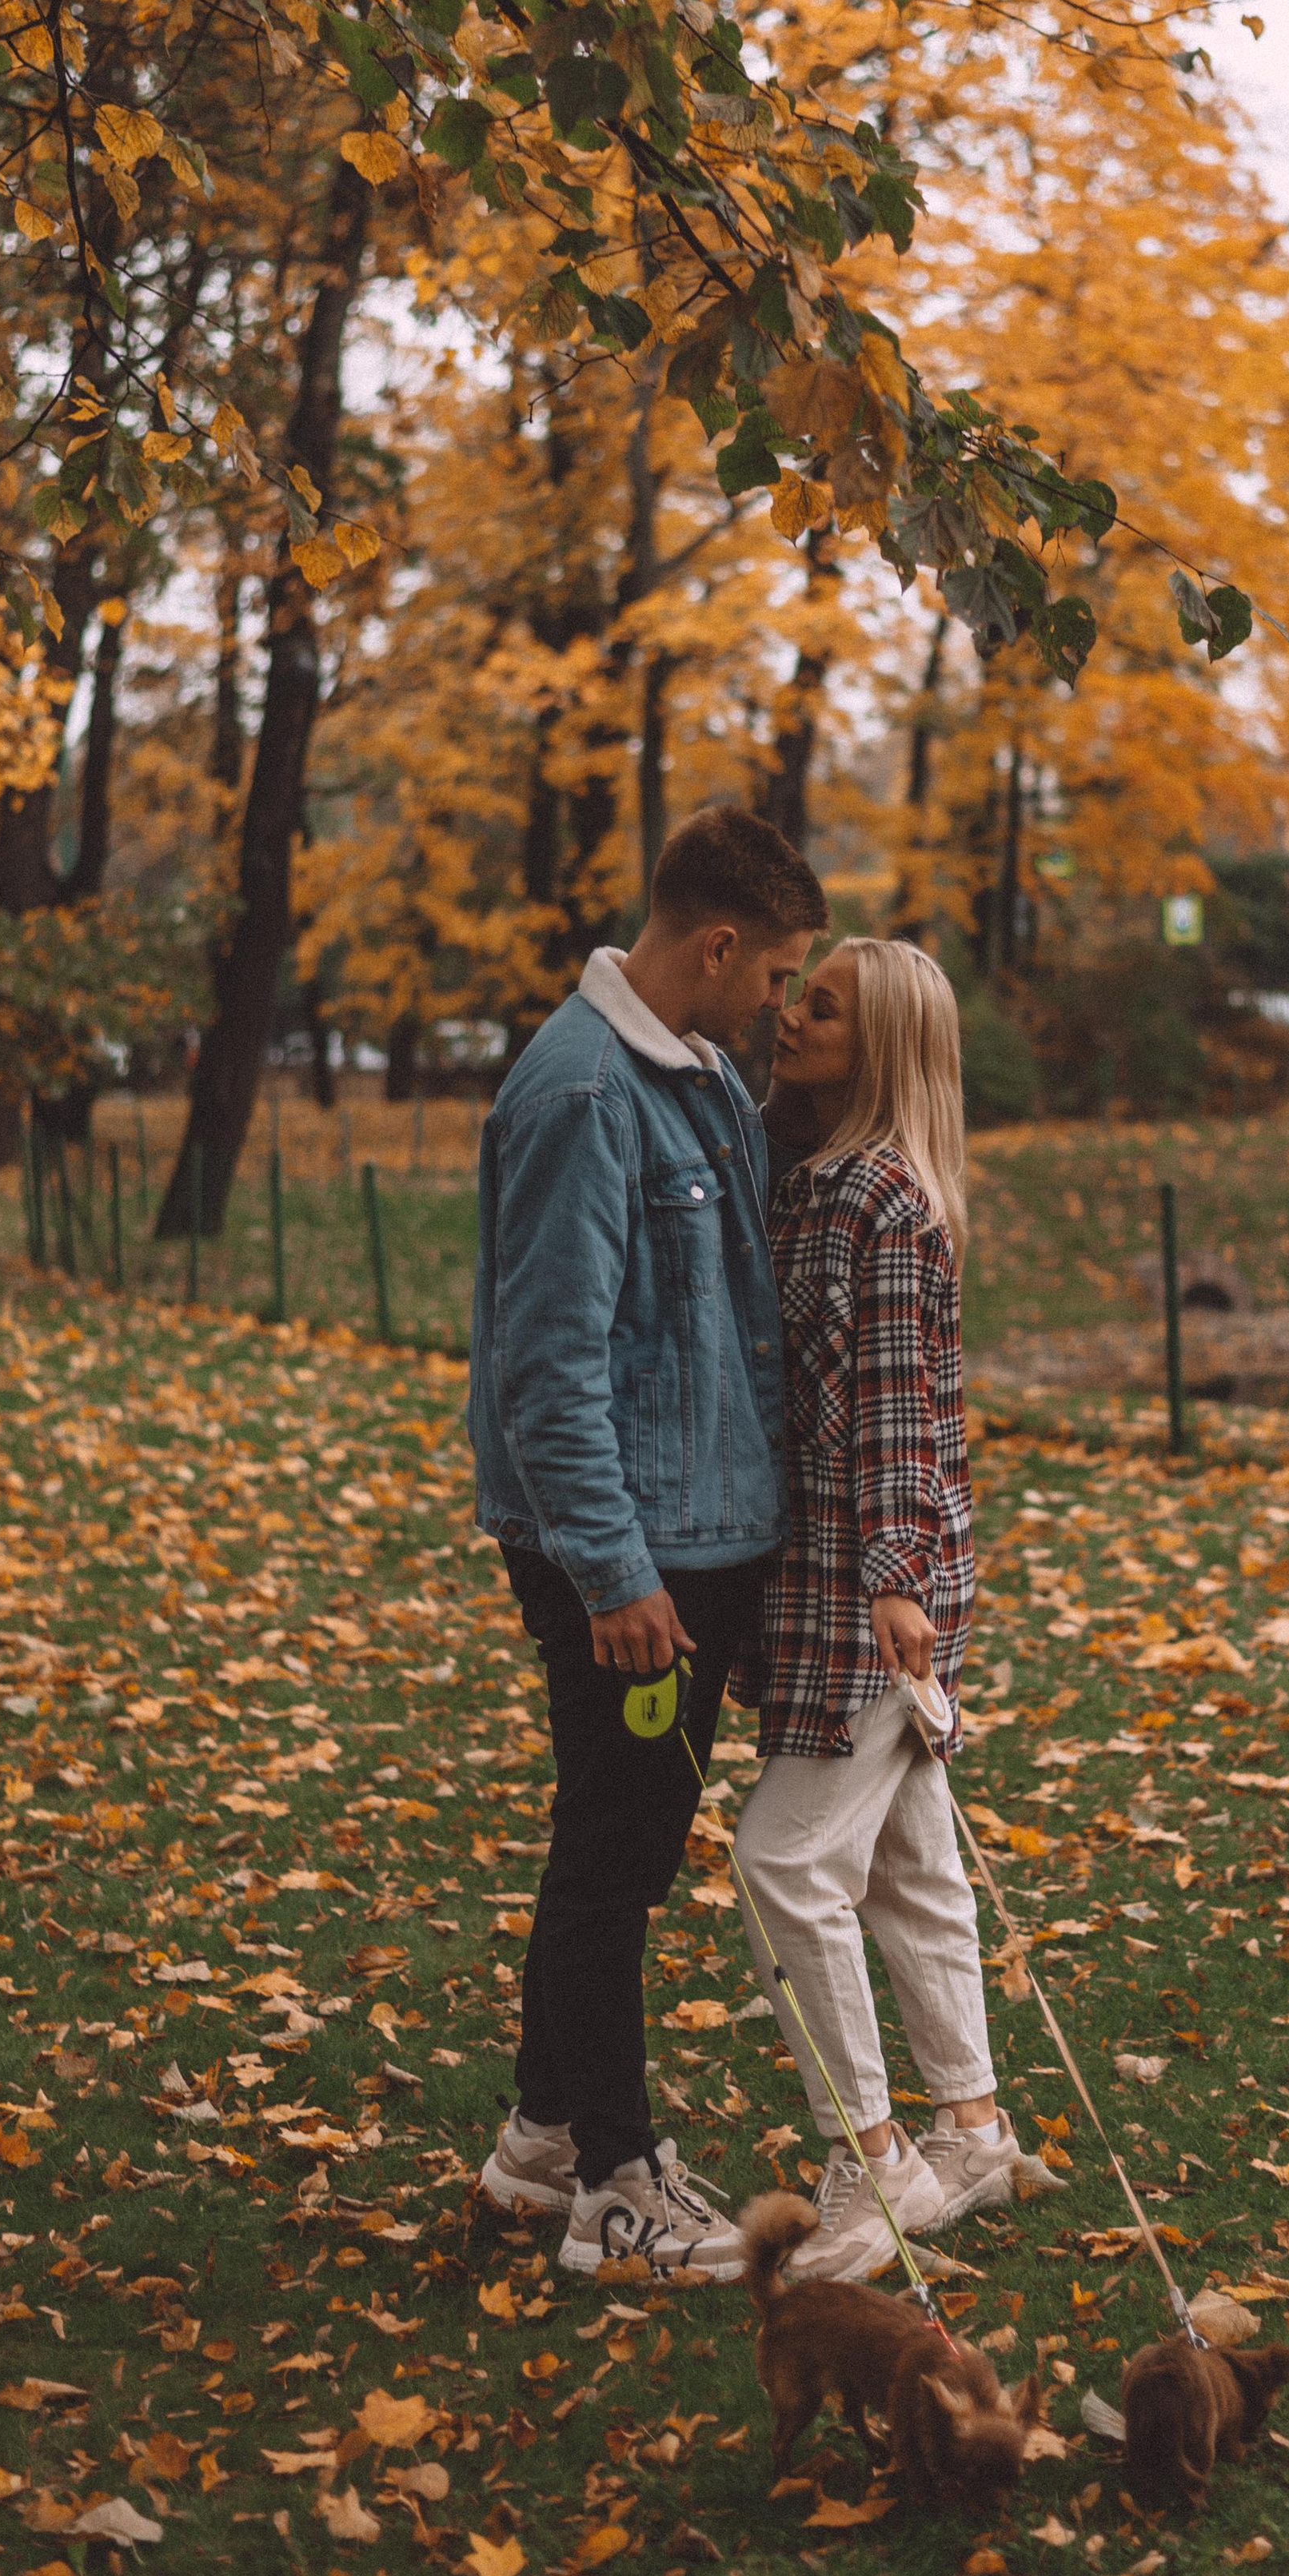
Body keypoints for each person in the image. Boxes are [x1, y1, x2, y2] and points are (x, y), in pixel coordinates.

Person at [468, 807, 827, 2278]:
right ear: (718, 943)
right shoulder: (584, 1094)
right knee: (613, 1860)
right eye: (780, 970)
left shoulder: (700, 1079)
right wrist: (615, 1574)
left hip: (695, 1538)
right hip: (632, 1558)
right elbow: (547, 1369)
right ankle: (616, 2182)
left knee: (620, 1846)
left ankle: (544, 2138)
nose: (785, 1002)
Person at [730, 938, 1022, 2279]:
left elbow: (904, 1409)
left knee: (785, 1857)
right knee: (910, 1865)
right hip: (844, 1584)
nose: (793, 1016)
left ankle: (877, 2155)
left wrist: (896, 1578)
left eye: (824, 1006)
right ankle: (972, 2122)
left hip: (871, 1595)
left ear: (884, 1045)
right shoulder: (811, 1181)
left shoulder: (881, 1200)